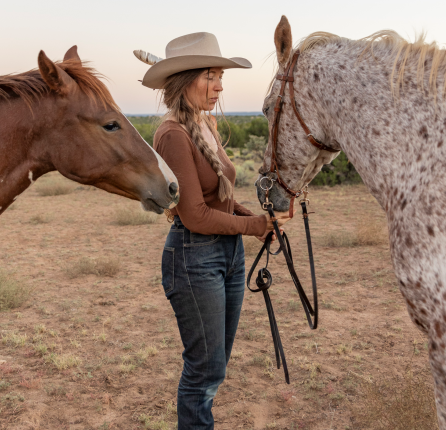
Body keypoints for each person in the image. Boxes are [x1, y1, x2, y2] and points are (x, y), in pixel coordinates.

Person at [135, 32, 292, 429]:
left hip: (226, 255)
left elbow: (218, 202)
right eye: (210, 76)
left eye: (221, 76)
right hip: (193, 257)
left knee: (215, 366)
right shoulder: (173, 134)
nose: (220, 85)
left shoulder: (205, 124)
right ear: (184, 81)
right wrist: (254, 225)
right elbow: (195, 215)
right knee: (204, 370)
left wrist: (258, 221)